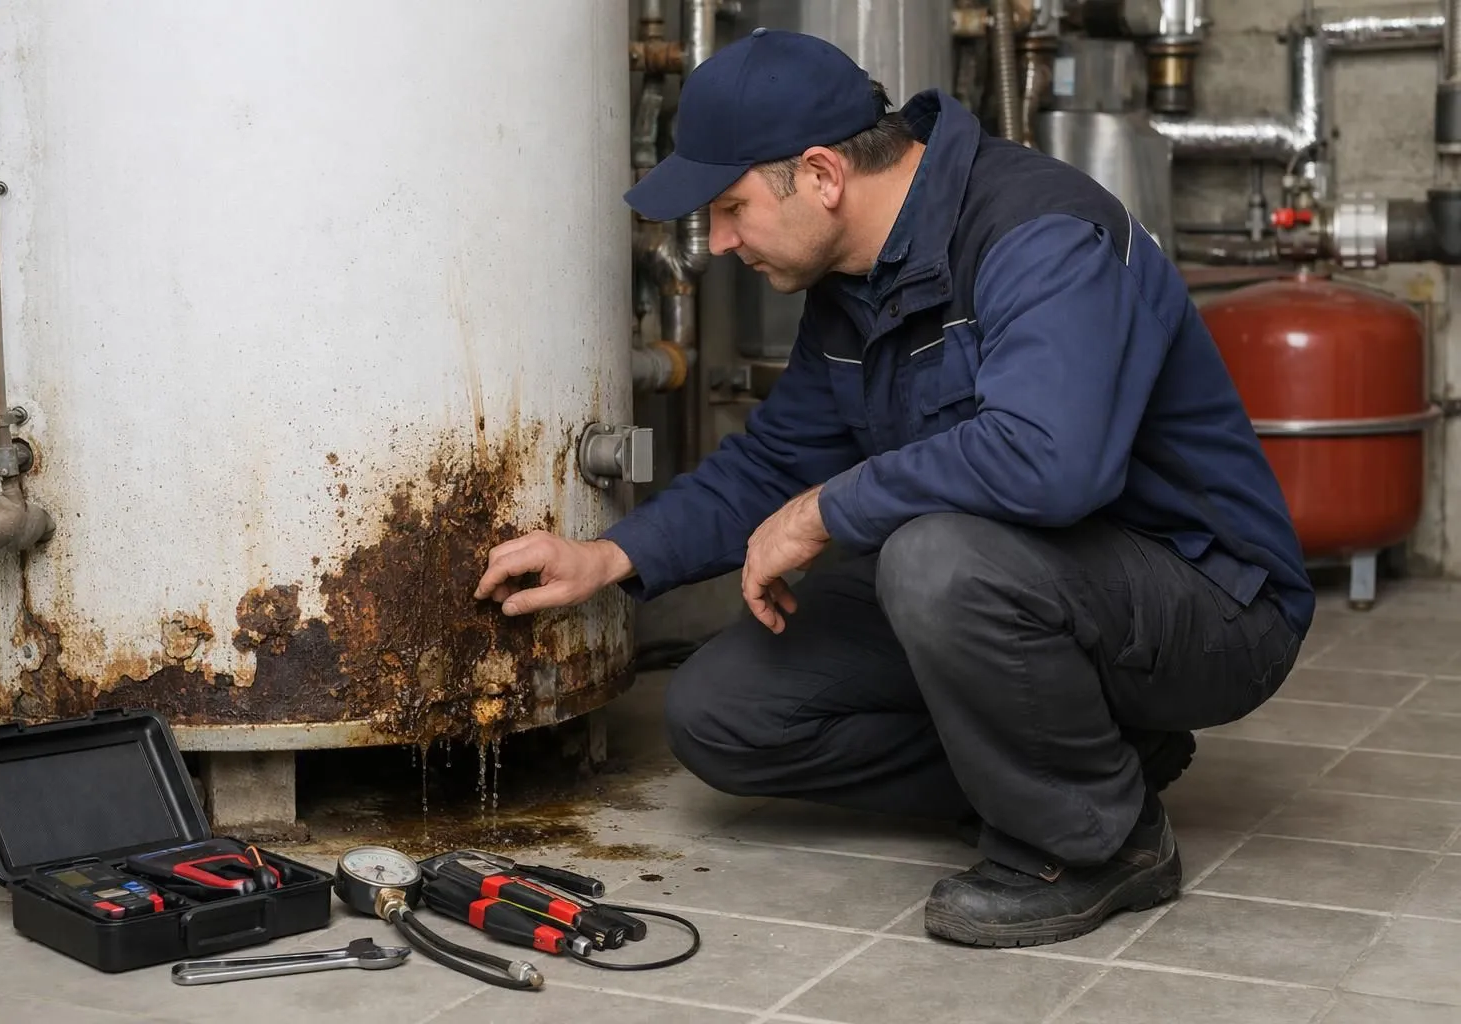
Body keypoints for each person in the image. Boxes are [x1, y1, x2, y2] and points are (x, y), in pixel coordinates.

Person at [474, 28, 1312, 948]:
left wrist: (830, 509)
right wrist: (610, 556)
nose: (721, 242)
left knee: (930, 559)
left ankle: (1096, 844)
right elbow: (775, 463)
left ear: (822, 175)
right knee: (724, 715)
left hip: (1210, 601)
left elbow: (1050, 460)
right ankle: (1095, 767)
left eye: (732, 207)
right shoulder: (852, 282)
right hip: (1021, 586)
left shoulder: (1038, 232)